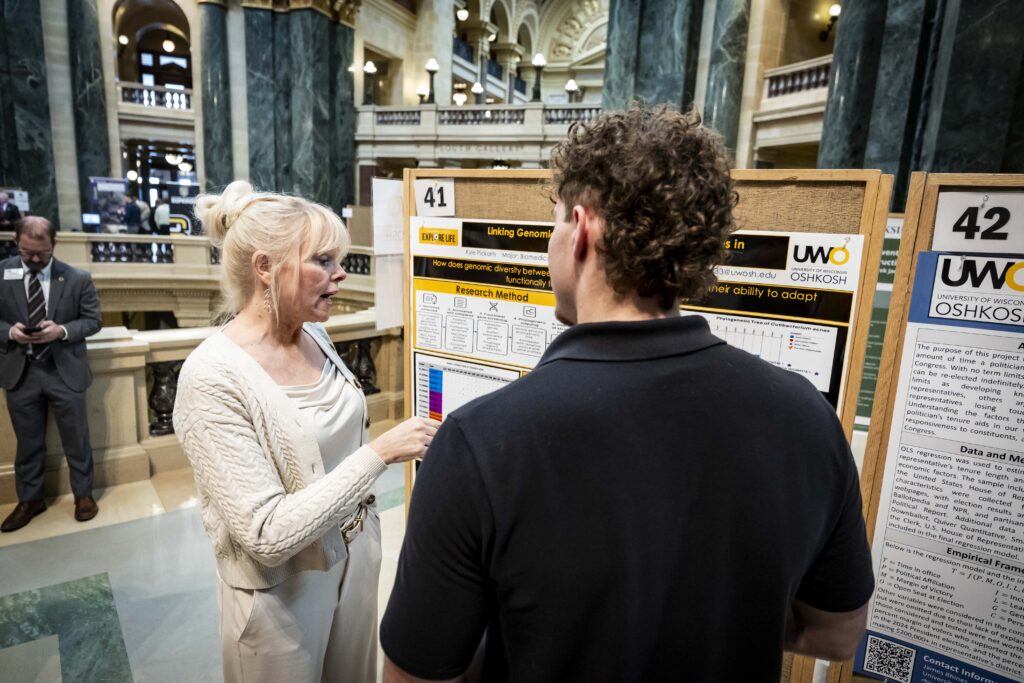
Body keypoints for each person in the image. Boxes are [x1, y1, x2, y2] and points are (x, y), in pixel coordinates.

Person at [381, 107, 875, 681]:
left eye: (557, 223)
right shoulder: (806, 415)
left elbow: (413, 675)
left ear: (583, 231)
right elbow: (836, 633)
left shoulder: (480, 442)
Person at [172, 180, 439, 682]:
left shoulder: (315, 332)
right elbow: (266, 535)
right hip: (280, 593)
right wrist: (379, 454)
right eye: (323, 261)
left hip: (354, 563)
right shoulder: (211, 378)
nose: (340, 275)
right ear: (265, 268)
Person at [0, 216, 103, 532]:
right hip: (21, 372)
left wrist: (60, 331)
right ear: (16, 243)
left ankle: (83, 495)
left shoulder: (76, 278)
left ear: (53, 246)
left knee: (77, 439)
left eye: (40, 254)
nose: (32, 259)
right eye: (26, 251)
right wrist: (10, 332)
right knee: (27, 443)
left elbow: (92, 320)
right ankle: (30, 500)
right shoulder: (2, 273)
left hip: (64, 372)